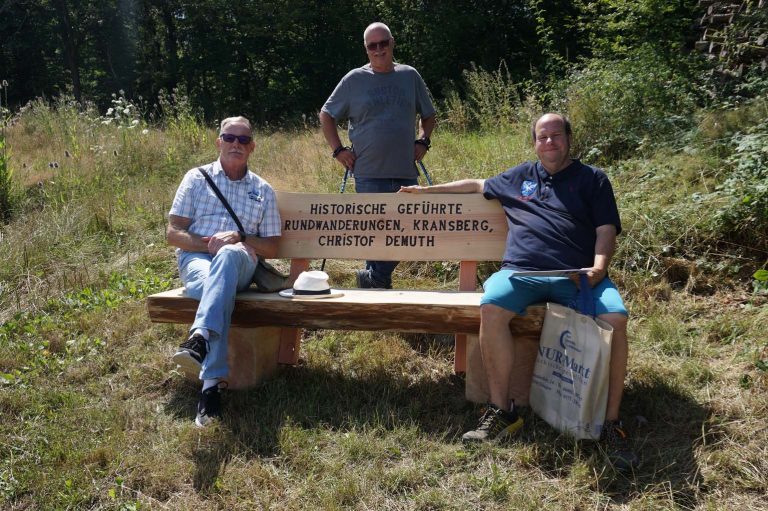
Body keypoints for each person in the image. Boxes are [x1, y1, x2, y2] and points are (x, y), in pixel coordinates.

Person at [400, 113, 639, 471]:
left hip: (576, 275)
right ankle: (502, 411)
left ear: (569, 139)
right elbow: (475, 185)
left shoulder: (593, 179)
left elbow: (606, 230)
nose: (549, 143)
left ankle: (610, 424)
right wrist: (425, 191)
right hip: (521, 273)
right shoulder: (519, 176)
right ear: (534, 142)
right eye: (542, 137)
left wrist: (599, 266)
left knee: (615, 318)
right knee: (492, 306)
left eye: (556, 136)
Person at [166, 116, 281, 427]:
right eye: (229, 138)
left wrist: (239, 238)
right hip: (197, 260)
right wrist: (209, 246)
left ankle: (200, 337)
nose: (236, 144)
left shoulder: (262, 190)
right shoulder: (196, 178)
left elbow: (271, 247)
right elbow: (173, 233)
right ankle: (210, 388)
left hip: (241, 260)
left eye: (243, 140)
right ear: (218, 142)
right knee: (217, 289)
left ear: (252, 147)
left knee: (230, 255)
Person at [319, 21, 436, 289]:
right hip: (368, 172)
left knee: (406, 229)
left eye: (384, 43)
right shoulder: (354, 80)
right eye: (373, 45)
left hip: (406, 170)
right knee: (375, 234)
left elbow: (429, 115)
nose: (379, 49)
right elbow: (326, 115)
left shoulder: (410, 76)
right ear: (366, 49)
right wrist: (338, 150)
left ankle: (372, 279)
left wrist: (423, 141)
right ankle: (376, 294)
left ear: (392, 43)